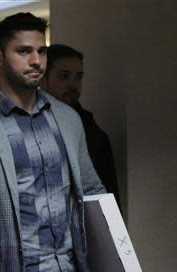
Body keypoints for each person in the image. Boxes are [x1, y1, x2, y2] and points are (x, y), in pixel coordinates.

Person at [0, 12, 122, 272]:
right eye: (24, 51)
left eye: (41, 51)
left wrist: (111, 265)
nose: (36, 61)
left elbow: (92, 192)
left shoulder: (67, 118)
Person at [40, 44, 120, 207]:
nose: (73, 85)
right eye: (64, 76)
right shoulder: (25, 122)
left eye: (79, 77)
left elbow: (106, 194)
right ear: (43, 79)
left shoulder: (92, 132)